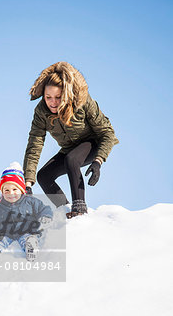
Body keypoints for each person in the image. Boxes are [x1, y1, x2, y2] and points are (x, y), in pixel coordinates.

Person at [23, 61, 119, 218]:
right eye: (48, 97)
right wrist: (27, 183)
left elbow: (107, 133)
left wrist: (98, 161)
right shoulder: (41, 112)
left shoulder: (82, 102)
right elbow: (35, 144)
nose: (52, 102)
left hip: (93, 142)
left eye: (58, 97)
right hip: (69, 149)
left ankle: (79, 210)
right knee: (43, 176)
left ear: (65, 94)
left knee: (71, 160)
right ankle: (65, 209)